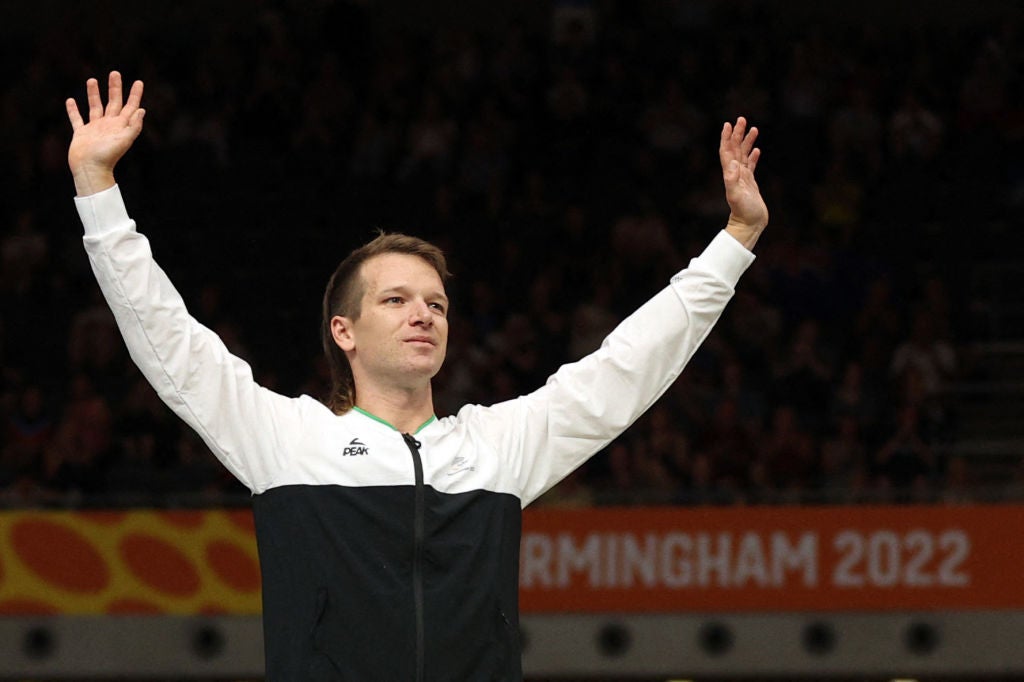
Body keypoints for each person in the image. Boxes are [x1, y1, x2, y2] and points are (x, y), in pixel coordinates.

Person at [65, 71, 768, 681]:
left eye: (435, 303)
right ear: (344, 332)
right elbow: (167, 338)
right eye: (395, 301)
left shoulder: (495, 449)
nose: (422, 315)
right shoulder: (285, 440)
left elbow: (627, 368)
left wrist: (734, 242)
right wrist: (97, 188)